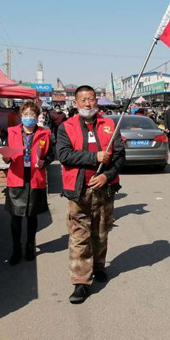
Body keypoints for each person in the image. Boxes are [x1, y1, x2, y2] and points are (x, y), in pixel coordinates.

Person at [56, 85, 125, 304]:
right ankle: (81, 282)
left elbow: (120, 156)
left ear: (97, 101)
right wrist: (94, 157)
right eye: (83, 100)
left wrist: (106, 176)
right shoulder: (66, 127)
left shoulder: (110, 125)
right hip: (79, 190)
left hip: (104, 188)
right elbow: (64, 155)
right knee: (79, 235)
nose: (88, 103)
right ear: (75, 103)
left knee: (101, 230)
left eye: (92, 99)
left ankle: (99, 266)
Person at [3, 101, 54, 265]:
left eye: (32, 114)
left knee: (32, 215)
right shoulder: (12, 132)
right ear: (20, 116)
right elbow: (6, 154)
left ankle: (30, 246)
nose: (28, 118)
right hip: (16, 177)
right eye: (25, 115)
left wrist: (44, 162)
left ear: (37, 116)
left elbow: (51, 155)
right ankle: (16, 249)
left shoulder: (45, 134)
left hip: (35, 177)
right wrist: (6, 156)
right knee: (15, 217)